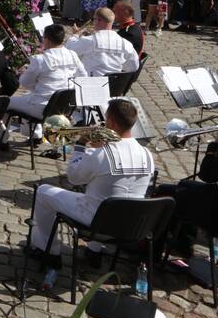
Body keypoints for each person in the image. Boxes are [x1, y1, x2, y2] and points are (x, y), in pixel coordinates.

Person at [28, 99, 154, 269]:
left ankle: (48, 251)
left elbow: (74, 178)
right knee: (105, 195)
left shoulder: (101, 153)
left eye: (106, 119)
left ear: (112, 122)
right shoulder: (147, 154)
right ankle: (94, 252)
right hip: (129, 223)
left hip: (96, 220)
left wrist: (81, 146)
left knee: (43, 191)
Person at [154, 128, 218, 260]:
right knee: (184, 185)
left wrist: (216, 145)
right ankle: (183, 241)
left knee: (165, 193)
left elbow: (206, 175)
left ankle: (153, 253)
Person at [6, 23, 87, 121]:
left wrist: (36, 85)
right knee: (28, 96)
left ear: (46, 39)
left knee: (6, 101)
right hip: (65, 107)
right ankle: (34, 134)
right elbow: (83, 76)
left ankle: (3, 134)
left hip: (43, 108)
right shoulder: (72, 54)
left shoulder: (40, 60)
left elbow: (24, 83)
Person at [66, 7, 140, 77]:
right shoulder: (125, 43)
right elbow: (133, 67)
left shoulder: (90, 40)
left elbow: (69, 49)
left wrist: (76, 35)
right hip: (114, 85)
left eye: (93, 19)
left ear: (98, 21)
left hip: (91, 84)